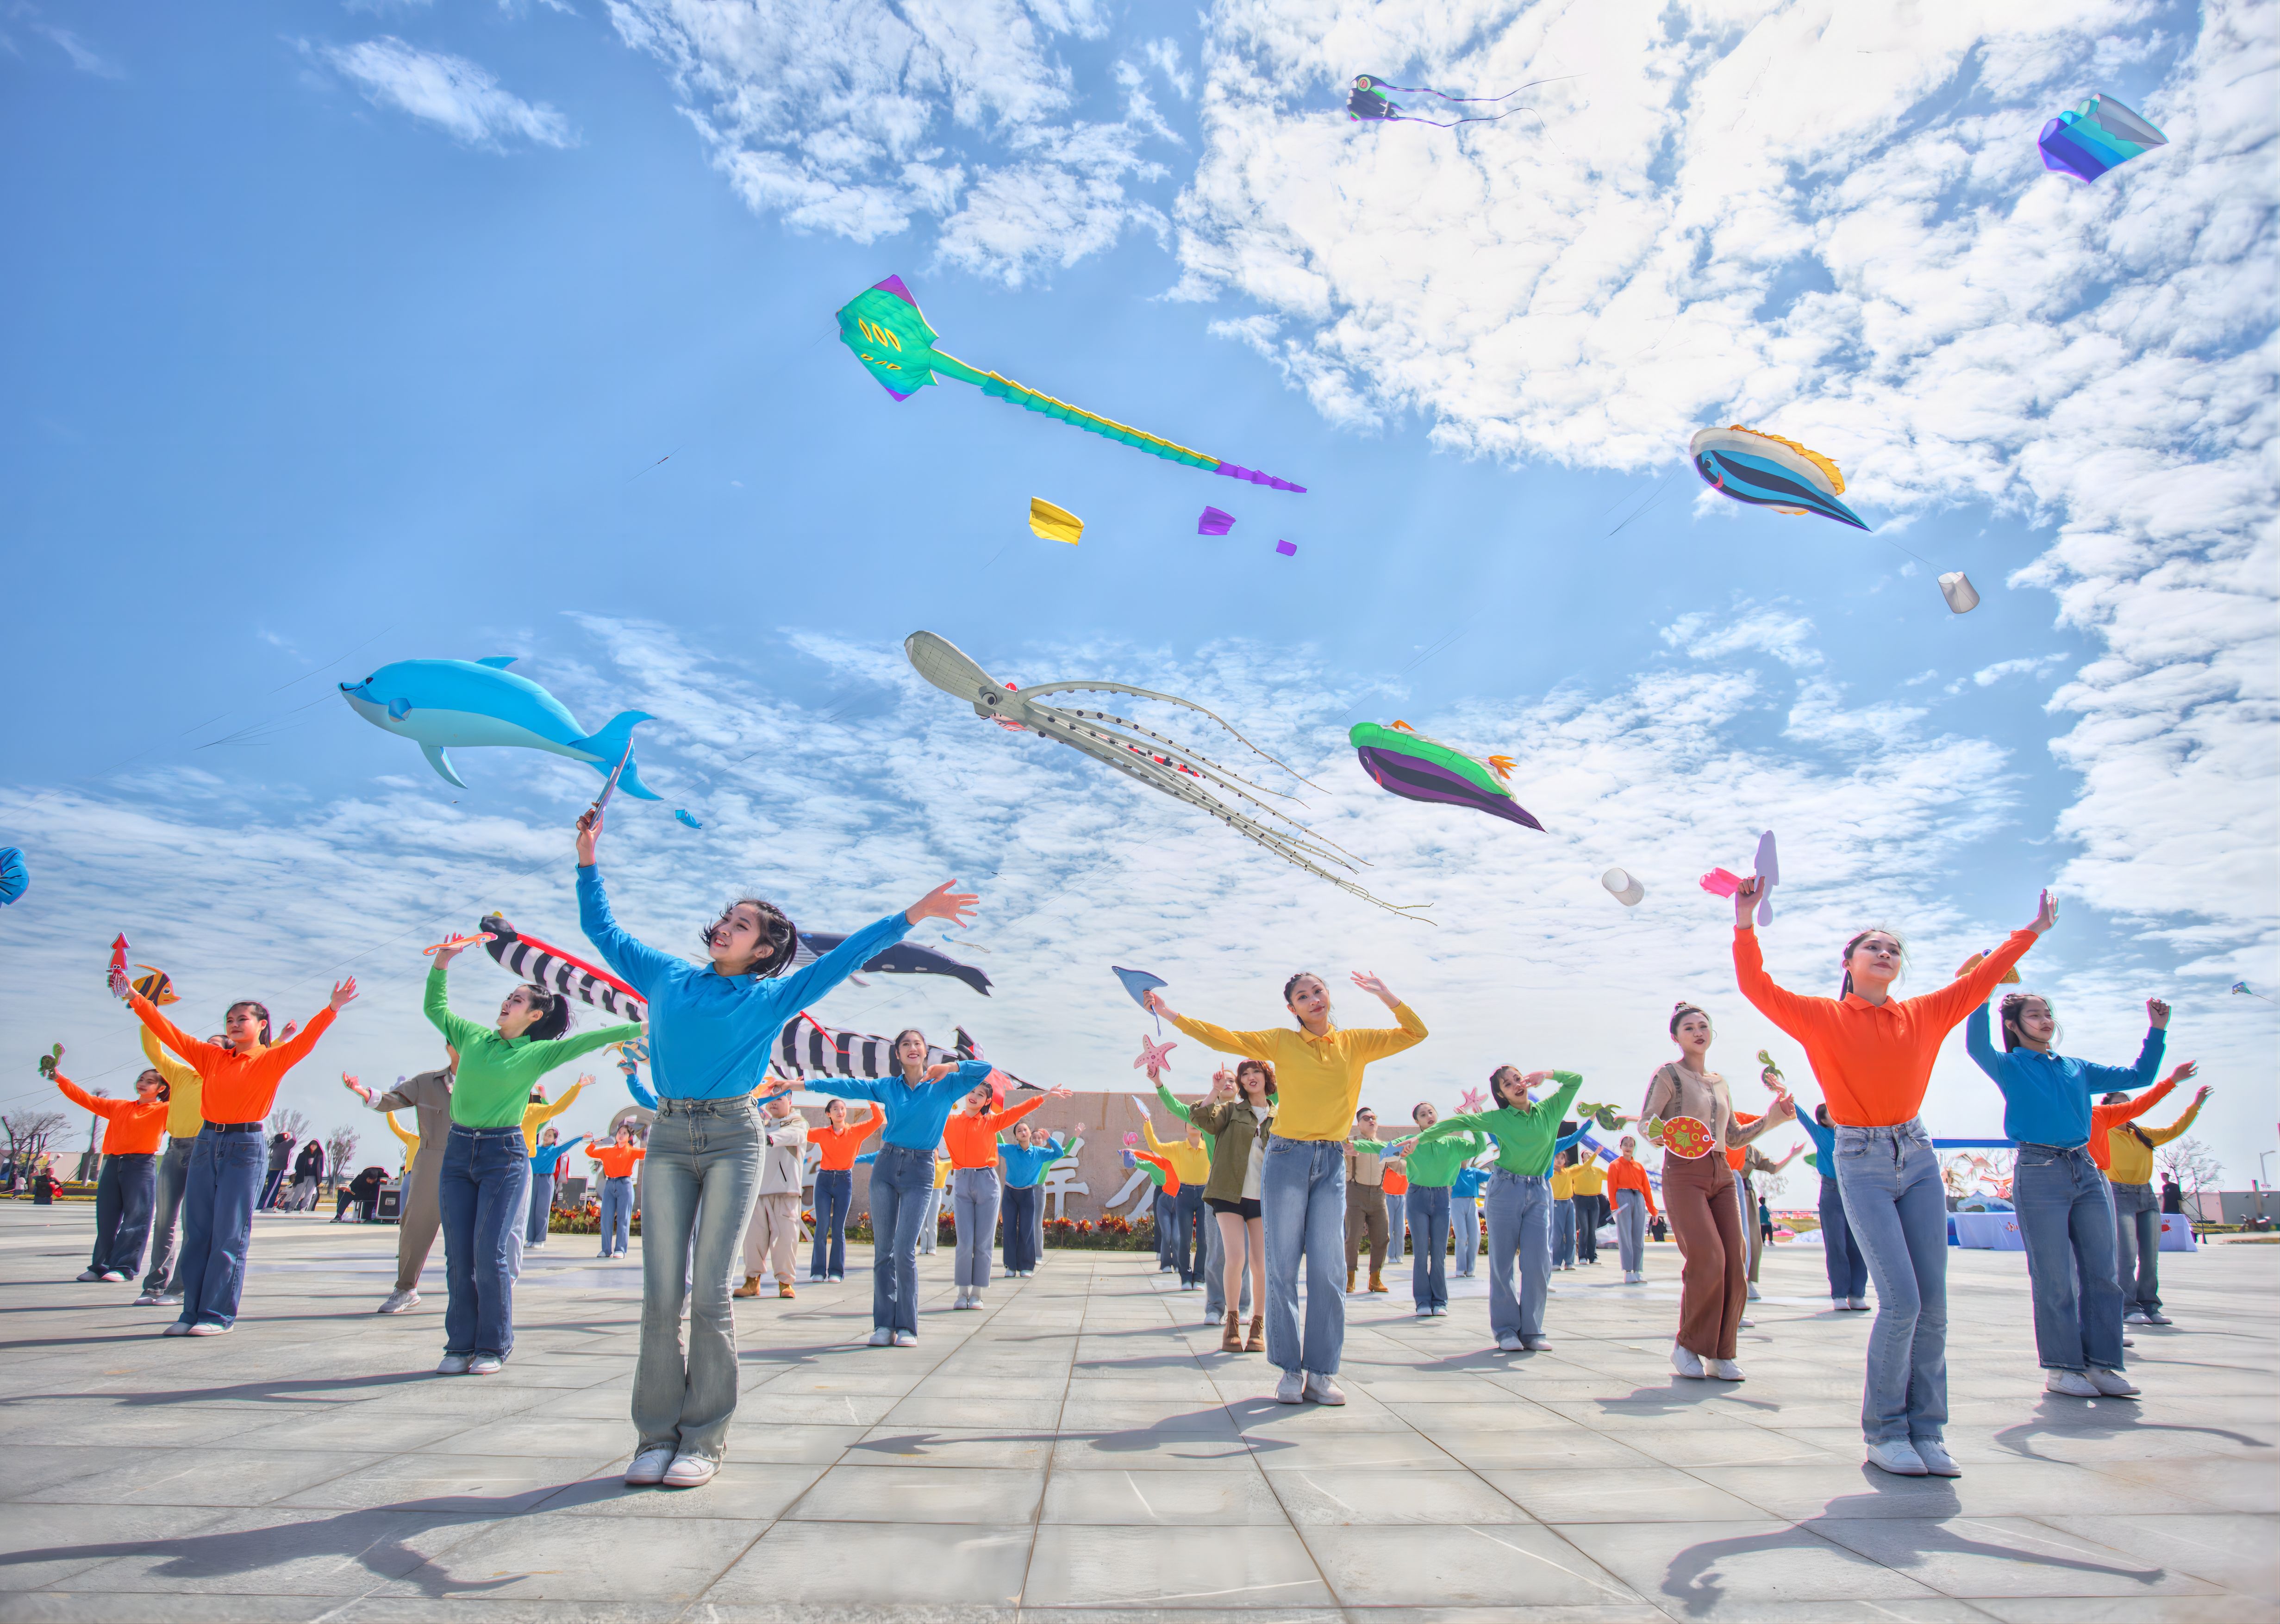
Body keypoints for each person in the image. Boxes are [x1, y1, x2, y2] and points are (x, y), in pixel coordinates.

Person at [575, 803, 974, 1488]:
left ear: (763, 948)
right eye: (727, 917)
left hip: (735, 1135)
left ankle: (702, 1438)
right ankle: (654, 1436)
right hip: (667, 1136)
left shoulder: (769, 999)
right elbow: (600, 928)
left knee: (710, 1291)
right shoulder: (667, 977)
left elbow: (849, 954)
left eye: (743, 923)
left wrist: (912, 915)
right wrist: (587, 857)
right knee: (660, 1293)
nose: (726, 924)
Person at [1731, 875, 2055, 1478]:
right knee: (1901, 1300)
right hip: (1861, 1159)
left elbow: (1980, 980)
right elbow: (1755, 985)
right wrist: (1745, 921)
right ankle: (1884, 1433)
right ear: (1848, 962)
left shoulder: (1925, 1013)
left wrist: (2030, 932)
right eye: (1872, 947)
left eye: (1893, 949)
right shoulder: (1821, 1017)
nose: (1885, 953)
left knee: (1933, 1303)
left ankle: (1928, 1432)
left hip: (1918, 1154)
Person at [1148, 971, 1426, 1406]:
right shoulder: (1280, 1042)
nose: (1313, 999)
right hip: (1286, 1159)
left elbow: (1416, 1031)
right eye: (1302, 996)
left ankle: (1320, 1372)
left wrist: (1387, 995)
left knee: (1329, 1270)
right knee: (1279, 1267)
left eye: (1318, 991)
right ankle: (1289, 1371)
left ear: (1327, 996)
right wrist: (1168, 1013)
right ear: (1291, 1008)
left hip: (1332, 1161)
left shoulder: (1356, 1042)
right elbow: (1224, 1037)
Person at [427, 940, 635, 1381]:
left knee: (490, 1251)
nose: (507, 1002)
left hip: (503, 1156)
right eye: (508, 997)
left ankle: (492, 1345)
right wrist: (442, 964)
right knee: (457, 1254)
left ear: (535, 1016)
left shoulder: (536, 1053)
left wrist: (643, 1028)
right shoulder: (473, 1037)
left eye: (517, 1000)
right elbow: (436, 1008)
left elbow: (590, 1039)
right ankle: (459, 1344)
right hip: (459, 1149)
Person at [115, 974, 354, 1334]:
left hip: (245, 1147)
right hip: (206, 1141)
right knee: (197, 1231)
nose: (234, 1024)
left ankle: (216, 1315)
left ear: (261, 1025)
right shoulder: (211, 1056)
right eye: (230, 1019)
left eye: (242, 1018)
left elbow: (306, 1041)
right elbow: (169, 1033)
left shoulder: (272, 1058)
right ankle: (189, 1313)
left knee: (229, 1234)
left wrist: (332, 1008)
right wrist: (136, 997)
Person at [1963, 989, 2170, 1395]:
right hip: (2039, 1170)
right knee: (2054, 1276)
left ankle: (2103, 1366)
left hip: (2087, 1171)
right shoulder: (2008, 1065)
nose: (2045, 1021)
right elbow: (1974, 1044)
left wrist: (2156, 1031)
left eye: (2048, 1014)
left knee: (2103, 1273)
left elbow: (2138, 1076)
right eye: (2034, 1015)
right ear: (2013, 1024)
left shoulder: (2076, 1067)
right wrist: (1982, 992)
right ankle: (2062, 1368)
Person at [804, 1031, 1053, 1346]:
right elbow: (846, 1086)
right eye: (905, 1044)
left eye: (917, 1043)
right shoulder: (888, 1087)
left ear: (925, 1053)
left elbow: (983, 1068)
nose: (912, 1047)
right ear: (897, 1054)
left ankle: (908, 1326)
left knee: (906, 1250)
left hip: (923, 1170)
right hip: (887, 1165)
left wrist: (947, 1068)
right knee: (884, 1252)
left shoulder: (944, 1086)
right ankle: (884, 1325)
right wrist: (801, 1085)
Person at [1641, 1005, 1797, 1384]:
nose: (1697, 1032)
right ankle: (1686, 1344)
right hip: (1683, 1172)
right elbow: (1647, 1121)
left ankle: (1722, 1353)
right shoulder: (1669, 1074)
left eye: (1703, 1026)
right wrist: (1661, 1132)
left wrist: (1772, 1117)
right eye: (1688, 1027)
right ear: (1675, 1037)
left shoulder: (1720, 1082)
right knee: (1708, 1257)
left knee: (1735, 1263)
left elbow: (1732, 1138)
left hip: (1723, 1173)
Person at [1416, 1068, 1583, 1353]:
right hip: (1505, 1190)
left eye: (1517, 1078)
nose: (1515, 1085)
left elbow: (1575, 1080)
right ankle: (1506, 1330)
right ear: (1501, 1094)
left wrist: (1548, 1074)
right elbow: (1460, 1120)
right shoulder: (1498, 1118)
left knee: (1538, 1263)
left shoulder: (1549, 1110)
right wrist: (1418, 1139)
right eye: (1507, 1084)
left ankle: (1532, 1331)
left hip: (1539, 1192)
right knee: (1503, 1263)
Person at [2101, 1071, 2210, 1329]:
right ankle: (2128, 1307)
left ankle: (2150, 1305)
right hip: (2118, 1194)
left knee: (2150, 1256)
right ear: (2106, 1109)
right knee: (2126, 1256)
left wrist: (2195, 1106)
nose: (2124, 1108)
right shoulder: (2101, 1131)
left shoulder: (2142, 1134)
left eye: (2127, 1103)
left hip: (2146, 1196)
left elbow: (2174, 1130)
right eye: (2117, 1104)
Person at [345, 1057, 455, 1312]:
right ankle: (405, 1288)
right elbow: (392, 1099)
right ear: (449, 1048)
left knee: (472, 1230)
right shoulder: (426, 1082)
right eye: (456, 1041)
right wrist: (364, 1092)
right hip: (431, 1158)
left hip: (473, 1156)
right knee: (415, 1224)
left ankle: (474, 1292)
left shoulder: (484, 1081)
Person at [1189, 1058, 1277, 1352]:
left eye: (1257, 1072)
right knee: (1235, 1258)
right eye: (1245, 1074)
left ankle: (1258, 1325)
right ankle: (1232, 1324)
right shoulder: (1230, 1110)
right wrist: (1214, 1091)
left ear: (1267, 1078)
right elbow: (1201, 1119)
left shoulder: (1281, 1115)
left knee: (1260, 1263)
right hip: (1229, 1193)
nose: (1251, 1077)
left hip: (1265, 1196)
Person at [942, 1081, 1054, 1307]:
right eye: (971, 1091)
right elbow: (929, 1112)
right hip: (962, 1181)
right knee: (964, 1242)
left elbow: (1018, 1112)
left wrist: (1046, 1097)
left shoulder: (991, 1122)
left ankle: (977, 1295)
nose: (974, 1096)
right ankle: (962, 1293)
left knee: (983, 1242)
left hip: (987, 1181)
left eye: (980, 1094)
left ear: (988, 1101)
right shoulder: (950, 1121)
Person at [53, 1066, 169, 1282]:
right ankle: (100, 1266)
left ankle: (124, 1268)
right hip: (113, 1163)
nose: (143, 1083)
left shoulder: (165, 1109)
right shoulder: (119, 1107)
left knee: (136, 1219)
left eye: (150, 1081)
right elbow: (84, 1099)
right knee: (107, 1219)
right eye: (141, 1079)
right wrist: (59, 1078)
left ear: (161, 1088)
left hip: (141, 1166)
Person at [1156, 1070, 1253, 1325]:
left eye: (1234, 1080)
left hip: (1248, 1184)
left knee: (1242, 1251)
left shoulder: (1253, 1111)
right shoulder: (1208, 1117)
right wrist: (1158, 1083)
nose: (1229, 1083)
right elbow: (1176, 1108)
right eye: (1225, 1081)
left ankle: (1243, 1306)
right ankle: (1215, 1307)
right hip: (1218, 1186)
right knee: (1216, 1250)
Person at [134, 1026, 209, 1307]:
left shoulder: (222, 1075)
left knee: (192, 1223)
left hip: (203, 1150)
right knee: (164, 1220)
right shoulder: (180, 1074)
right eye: (206, 1043)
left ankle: (178, 1289)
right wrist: (145, 1008)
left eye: (216, 1045)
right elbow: (154, 1049)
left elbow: (261, 1060)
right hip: (174, 1148)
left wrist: (279, 1039)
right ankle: (154, 1285)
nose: (207, 1047)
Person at [1402, 1101, 1487, 1317]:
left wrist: (1473, 1124)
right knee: (1421, 1252)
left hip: (1442, 1198)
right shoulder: (1411, 1143)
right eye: (1423, 1114)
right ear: (1417, 1122)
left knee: (1439, 1253)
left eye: (1431, 1111)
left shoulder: (1452, 1142)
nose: (1428, 1115)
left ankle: (1440, 1301)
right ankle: (1422, 1301)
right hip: (1417, 1197)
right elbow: (1384, 1148)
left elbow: (1480, 1148)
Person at [1797, 1103, 1869, 1311]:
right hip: (1831, 1192)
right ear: (1824, 1119)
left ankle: (1857, 1295)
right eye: (1830, 1111)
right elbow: (1803, 1118)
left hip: (1854, 1192)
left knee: (1858, 1245)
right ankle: (1839, 1295)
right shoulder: (1821, 1133)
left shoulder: (1851, 1134)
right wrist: (1786, 1096)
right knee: (1836, 1244)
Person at [737, 1092, 809, 1300]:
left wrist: (767, 1138)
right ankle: (752, 1282)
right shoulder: (760, 1125)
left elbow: (794, 1137)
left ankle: (785, 1283)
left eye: (780, 1099)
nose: (775, 1103)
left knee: (786, 1240)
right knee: (753, 1240)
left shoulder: (798, 1123)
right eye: (772, 1100)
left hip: (786, 1192)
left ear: (790, 1102)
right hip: (758, 1191)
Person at [1136, 1098, 1211, 1289]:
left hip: (1204, 1194)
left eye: (1197, 1122)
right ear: (1185, 1126)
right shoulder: (1177, 1147)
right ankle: (1186, 1277)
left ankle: (1200, 1277)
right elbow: (1155, 1146)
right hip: (1183, 1193)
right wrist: (1147, 1122)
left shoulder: (1211, 1147)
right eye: (1190, 1122)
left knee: (1203, 1239)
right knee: (1184, 1239)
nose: (1194, 1125)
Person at [807, 1099, 882, 1282]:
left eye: (842, 1109)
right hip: (824, 1180)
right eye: (835, 1109)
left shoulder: (856, 1131)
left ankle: (836, 1272)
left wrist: (872, 1101)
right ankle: (818, 1271)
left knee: (838, 1227)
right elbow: (802, 1132)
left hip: (844, 1180)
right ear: (829, 1114)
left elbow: (878, 1120)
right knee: (822, 1227)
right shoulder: (822, 1133)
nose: (840, 1112)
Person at [997, 1120, 1072, 1278]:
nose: (1023, 1132)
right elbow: (991, 1146)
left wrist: (1050, 1139)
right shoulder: (1010, 1150)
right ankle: (1010, 1267)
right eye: (1019, 1131)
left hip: (1028, 1194)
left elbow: (1060, 1153)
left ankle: (1026, 1267)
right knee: (1009, 1230)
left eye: (1025, 1130)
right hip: (1010, 1194)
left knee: (1027, 1230)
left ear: (1030, 1134)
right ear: (1016, 1137)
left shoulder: (1039, 1152)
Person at [1343, 1106, 1403, 1294]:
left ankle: (1375, 1279)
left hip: (1379, 1195)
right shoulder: (1350, 1142)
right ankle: (1349, 1278)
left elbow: (1401, 1168)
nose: (1371, 1121)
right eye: (1366, 1118)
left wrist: (1419, 1162)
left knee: (1382, 1238)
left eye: (1374, 1118)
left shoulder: (1384, 1147)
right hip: (1355, 1192)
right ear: (1359, 1124)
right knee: (1352, 1238)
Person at [586, 1124, 645, 1258]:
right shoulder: (607, 1151)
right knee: (606, 1218)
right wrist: (593, 1142)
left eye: (624, 1133)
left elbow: (648, 1153)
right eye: (620, 1132)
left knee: (624, 1218)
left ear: (629, 1137)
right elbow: (590, 1152)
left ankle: (620, 1249)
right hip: (610, 1185)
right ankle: (606, 1250)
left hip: (625, 1185)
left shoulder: (632, 1151)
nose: (621, 1135)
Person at [528, 1127, 591, 1251]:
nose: (546, 1137)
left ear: (555, 1139)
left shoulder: (555, 1151)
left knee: (542, 1210)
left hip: (546, 1180)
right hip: (533, 1180)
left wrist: (581, 1138)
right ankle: (530, 1239)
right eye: (546, 1135)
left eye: (550, 1136)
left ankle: (540, 1239)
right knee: (531, 1210)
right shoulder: (535, 1149)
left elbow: (568, 1145)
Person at [1606, 1135, 1656, 1282]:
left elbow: (1647, 1189)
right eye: (1626, 1144)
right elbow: (1612, 1187)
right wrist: (1614, 1207)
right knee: (1625, 1236)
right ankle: (1628, 1272)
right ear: (1620, 1147)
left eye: (1631, 1145)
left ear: (1634, 1148)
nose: (1628, 1147)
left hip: (1638, 1197)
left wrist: (1653, 1210)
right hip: (1623, 1197)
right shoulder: (1614, 1165)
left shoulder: (1639, 1167)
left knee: (1638, 1236)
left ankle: (1637, 1270)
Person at [1571, 1147, 1608, 1266]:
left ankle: (1593, 1256)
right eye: (1586, 1154)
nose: (1589, 1155)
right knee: (1585, 1229)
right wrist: (1596, 1154)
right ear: (1582, 1157)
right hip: (1580, 1200)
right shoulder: (1577, 1168)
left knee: (1592, 1230)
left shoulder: (1597, 1171)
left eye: (1590, 1153)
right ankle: (1582, 1256)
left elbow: (1612, 1176)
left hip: (1594, 1200)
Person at [1452, 1160, 1489, 1276]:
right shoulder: (1453, 1170)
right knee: (1462, 1237)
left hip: (1472, 1203)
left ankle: (1471, 1268)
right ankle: (1460, 1268)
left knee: (1475, 1236)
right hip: (1457, 1203)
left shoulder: (1474, 1172)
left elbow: (1490, 1177)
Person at [1549, 1149, 1579, 1272]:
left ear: (1565, 1160)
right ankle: (1556, 1261)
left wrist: (1596, 1154)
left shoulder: (1569, 1172)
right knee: (1557, 1235)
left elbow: (1583, 1168)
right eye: (1557, 1157)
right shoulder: (1549, 1173)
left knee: (1571, 1234)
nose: (1560, 1160)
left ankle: (1570, 1262)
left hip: (1569, 1203)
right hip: (1556, 1203)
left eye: (1562, 1158)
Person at [286, 1138, 325, 1212]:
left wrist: (319, 1177)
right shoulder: (303, 1154)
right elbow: (297, 1165)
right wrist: (299, 1173)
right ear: (310, 1146)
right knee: (298, 1192)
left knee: (309, 1194)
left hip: (313, 1177)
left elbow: (321, 1168)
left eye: (315, 1146)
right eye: (312, 1145)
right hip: (303, 1176)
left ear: (317, 1147)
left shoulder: (320, 1156)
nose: (313, 1147)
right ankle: (291, 1208)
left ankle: (303, 1209)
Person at [1383, 1154, 1409, 1265]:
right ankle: (1391, 1255)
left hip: (1401, 1197)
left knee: (1400, 1229)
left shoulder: (1405, 1165)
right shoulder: (1387, 1165)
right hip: (1388, 1197)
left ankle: (1399, 1255)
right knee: (1389, 1228)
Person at [260, 1128, 294, 1212]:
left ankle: (269, 1207)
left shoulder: (275, 1144)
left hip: (273, 1168)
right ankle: (267, 1207)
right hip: (279, 1168)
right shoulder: (284, 1145)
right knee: (273, 1188)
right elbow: (294, 1141)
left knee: (272, 1188)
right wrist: (292, 1132)